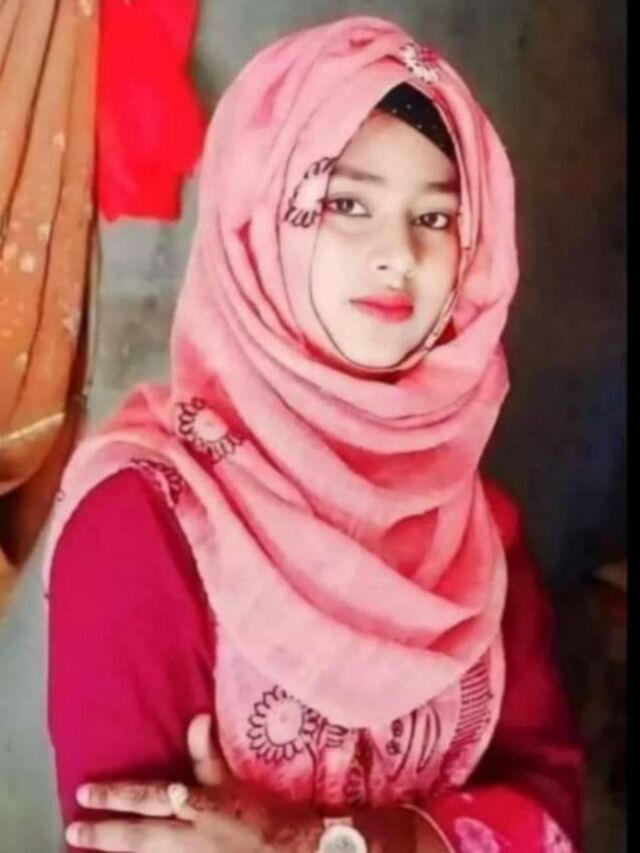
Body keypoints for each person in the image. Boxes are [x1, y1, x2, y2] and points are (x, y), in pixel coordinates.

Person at [45, 15, 583, 852]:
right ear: (256, 222)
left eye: (436, 217)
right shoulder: (145, 521)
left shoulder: (477, 529)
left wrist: (326, 841)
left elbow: (550, 808)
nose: (397, 254)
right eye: (346, 203)